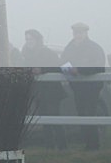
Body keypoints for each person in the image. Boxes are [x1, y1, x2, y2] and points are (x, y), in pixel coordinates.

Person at [61, 22, 106, 150]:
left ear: (86, 33)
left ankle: (94, 144)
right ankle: (87, 143)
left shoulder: (94, 48)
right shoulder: (69, 47)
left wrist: (80, 70)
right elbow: (63, 62)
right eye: (76, 32)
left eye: (80, 32)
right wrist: (69, 70)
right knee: (81, 113)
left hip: (92, 87)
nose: (78, 35)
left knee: (90, 113)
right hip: (77, 87)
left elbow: (98, 66)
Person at [22, 29, 68, 149]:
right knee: (43, 118)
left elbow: (57, 67)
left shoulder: (48, 53)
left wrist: (42, 70)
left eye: (31, 39)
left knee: (54, 117)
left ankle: (62, 145)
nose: (29, 41)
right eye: (27, 39)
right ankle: (49, 145)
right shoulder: (26, 54)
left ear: (37, 40)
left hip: (52, 91)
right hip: (38, 91)